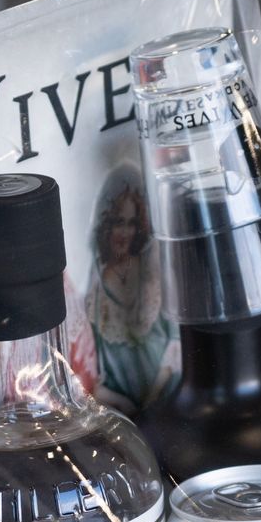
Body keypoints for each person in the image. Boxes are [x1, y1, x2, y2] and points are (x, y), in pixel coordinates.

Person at [84, 164, 176, 412]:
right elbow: (96, 374)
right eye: (118, 223)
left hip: (169, 401)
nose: (125, 233)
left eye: (131, 223)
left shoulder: (154, 271)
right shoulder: (95, 291)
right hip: (124, 413)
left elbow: (176, 343)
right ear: (106, 224)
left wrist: (153, 403)